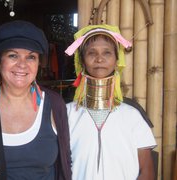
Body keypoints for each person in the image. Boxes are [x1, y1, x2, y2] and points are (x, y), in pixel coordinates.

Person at [0, 20, 72, 180]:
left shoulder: (54, 103)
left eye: (31, 57)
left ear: (39, 64)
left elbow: (65, 163)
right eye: (13, 55)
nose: (22, 65)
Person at [64, 24, 157, 180]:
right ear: (82, 61)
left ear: (116, 60)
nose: (99, 59)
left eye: (107, 53)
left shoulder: (133, 116)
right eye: (91, 53)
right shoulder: (65, 113)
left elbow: (147, 172)